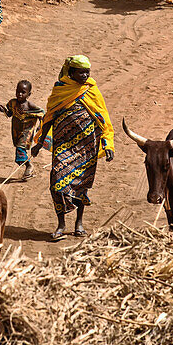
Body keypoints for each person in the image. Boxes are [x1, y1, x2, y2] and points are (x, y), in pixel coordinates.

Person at [31, 55, 114, 241]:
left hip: (87, 148)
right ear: (71, 72)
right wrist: (39, 143)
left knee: (81, 186)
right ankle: (61, 224)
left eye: (87, 72)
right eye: (81, 72)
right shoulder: (60, 90)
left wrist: (108, 144)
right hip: (63, 147)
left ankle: (79, 224)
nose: (85, 75)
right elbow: (49, 118)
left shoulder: (91, 90)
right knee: (57, 184)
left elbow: (103, 119)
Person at [0, 79, 45, 180]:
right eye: (18, 92)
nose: (20, 94)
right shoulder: (12, 103)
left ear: (28, 94)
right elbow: (9, 114)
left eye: (23, 92)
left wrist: (40, 126)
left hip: (26, 132)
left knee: (20, 150)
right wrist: (4, 110)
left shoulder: (29, 105)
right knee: (19, 153)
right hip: (16, 130)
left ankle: (29, 167)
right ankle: (28, 169)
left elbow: (41, 113)